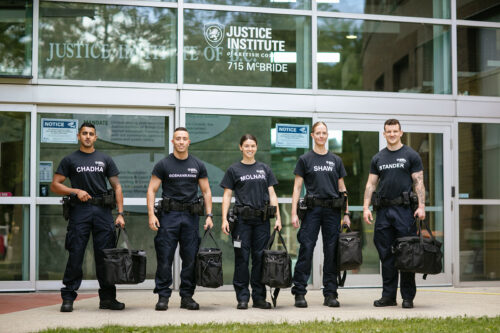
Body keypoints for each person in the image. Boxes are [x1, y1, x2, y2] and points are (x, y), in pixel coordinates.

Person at [51, 122, 126, 312]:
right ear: (78, 136)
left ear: (95, 137)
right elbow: (55, 185)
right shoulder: (70, 160)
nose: (87, 136)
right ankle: (68, 298)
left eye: (91, 134)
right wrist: (75, 191)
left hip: (102, 212)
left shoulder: (105, 159)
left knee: (105, 257)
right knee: (76, 254)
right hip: (80, 211)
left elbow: (117, 187)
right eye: (84, 133)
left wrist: (120, 213)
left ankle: (108, 299)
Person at [147, 127, 213, 311]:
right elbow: (151, 190)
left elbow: (206, 191)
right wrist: (151, 214)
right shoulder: (163, 164)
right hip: (169, 217)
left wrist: (209, 215)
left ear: (189, 142)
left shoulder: (198, 165)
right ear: (173, 141)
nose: (181, 141)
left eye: (184, 138)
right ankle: (163, 297)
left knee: (190, 259)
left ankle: (187, 297)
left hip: (191, 217)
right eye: (178, 138)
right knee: (165, 258)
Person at [363, 119, 426, 309]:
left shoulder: (411, 155)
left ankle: (407, 297)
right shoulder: (378, 158)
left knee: (406, 254)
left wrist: (421, 206)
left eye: (394, 131)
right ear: (384, 134)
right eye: (388, 131)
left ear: (401, 133)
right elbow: (371, 184)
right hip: (383, 212)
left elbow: (419, 182)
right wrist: (366, 207)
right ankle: (388, 296)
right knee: (386, 255)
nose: (391, 134)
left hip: (404, 211)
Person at [290, 121, 351, 308]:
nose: (321, 136)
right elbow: (297, 187)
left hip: (332, 211)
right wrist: (294, 213)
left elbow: (342, 188)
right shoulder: (305, 159)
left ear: (327, 135)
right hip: (312, 211)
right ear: (313, 136)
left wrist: (346, 212)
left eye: (324, 133)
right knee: (306, 249)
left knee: (331, 252)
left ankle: (330, 293)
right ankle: (299, 292)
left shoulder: (336, 160)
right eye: (318, 133)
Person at [221, 134, 281, 310]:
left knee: (260, 259)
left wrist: (278, 217)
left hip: (261, 222)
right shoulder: (234, 170)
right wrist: (224, 218)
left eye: (253, 145)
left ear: (256, 147)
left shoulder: (264, 169)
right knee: (242, 259)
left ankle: (259, 298)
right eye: (246, 146)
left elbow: (272, 194)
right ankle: (242, 297)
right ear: (240, 147)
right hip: (241, 222)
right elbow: (227, 195)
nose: (249, 149)